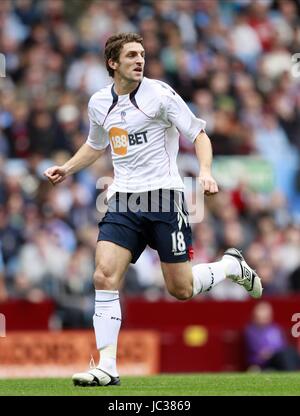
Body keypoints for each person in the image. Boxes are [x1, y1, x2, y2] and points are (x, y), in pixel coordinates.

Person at [44, 33, 263, 387]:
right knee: (103, 275)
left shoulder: (160, 94)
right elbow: (95, 144)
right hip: (124, 200)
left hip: (164, 198)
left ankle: (230, 265)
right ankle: (107, 366)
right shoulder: (99, 102)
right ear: (112, 63)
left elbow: (199, 134)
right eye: (131, 55)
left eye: (142, 54)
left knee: (181, 289)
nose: (139, 60)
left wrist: (205, 172)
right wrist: (67, 168)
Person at [244, 301, 300, 371]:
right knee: (285, 355)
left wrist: (273, 351)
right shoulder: (251, 331)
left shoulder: (276, 328)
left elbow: (283, 345)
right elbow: (258, 351)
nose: (264, 317)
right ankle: (291, 374)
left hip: (279, 357)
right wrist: (269, 353)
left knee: (290, 351)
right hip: (265, 362)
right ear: (255, 315)